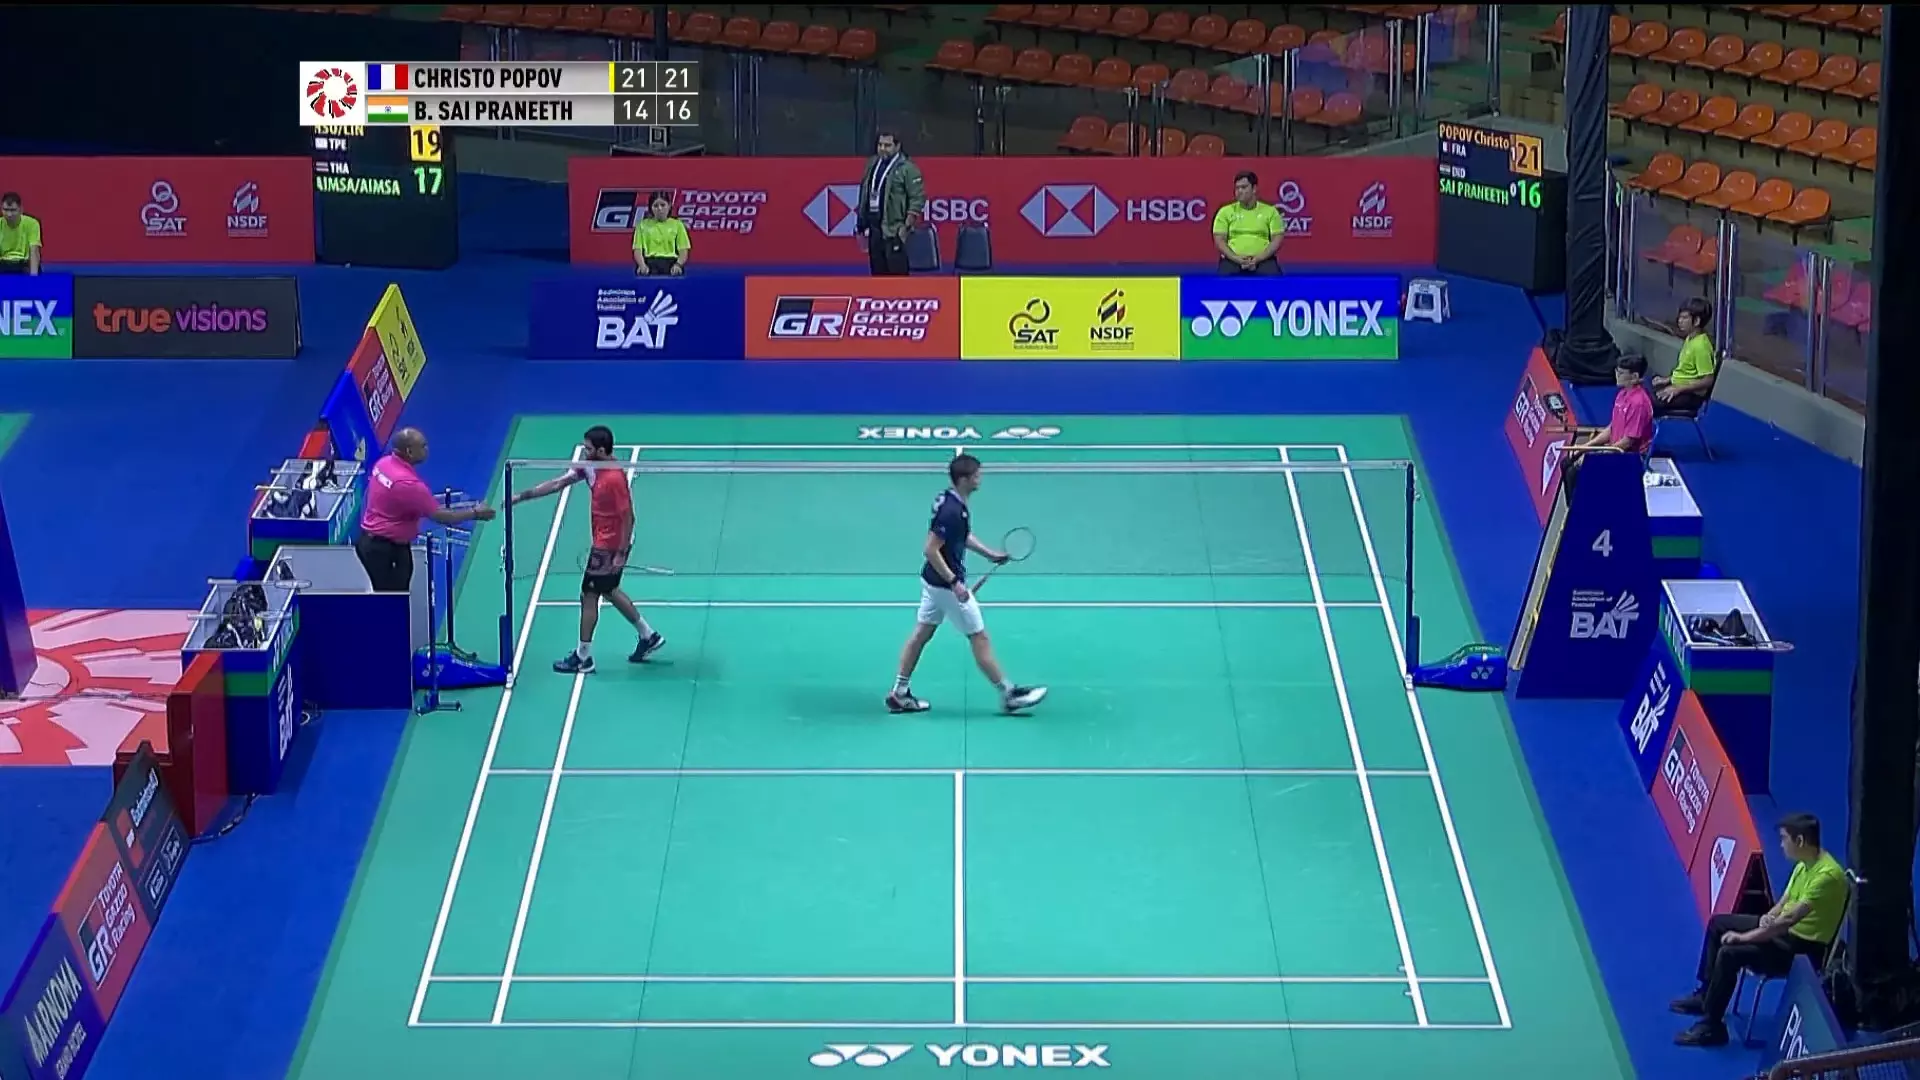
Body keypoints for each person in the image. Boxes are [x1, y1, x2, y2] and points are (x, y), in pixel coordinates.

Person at [1672, 813, 1851, 1047]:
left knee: (1730, 952)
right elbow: (1784, 902)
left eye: (1784, 839)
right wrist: (1768, 916)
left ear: (1799, 841)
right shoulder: (1804, 864)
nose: (1781, 844)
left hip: (1802, 952)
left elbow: (1787, 921)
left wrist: (1743, 937)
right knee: (1719, 924)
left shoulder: (1827, 877)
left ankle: (1712, 1026)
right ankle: (1707, 995)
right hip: (1785, 935)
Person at [887, 454, 1046, 715]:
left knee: (921, 634)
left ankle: (899, 692)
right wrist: (954, 583)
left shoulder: (951, 500)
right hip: (946, 586)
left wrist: (990, 554)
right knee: (979, 637)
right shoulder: (952, 511)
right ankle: (1009, 693)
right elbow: (930, 549)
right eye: (976, 476)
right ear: (964, 480)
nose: (979, 479)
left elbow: (961, 535)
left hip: (932, 581)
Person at [510, 425, 665, 674]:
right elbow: (559, 483)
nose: (584, 451)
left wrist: (620, 553)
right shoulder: (590, 466)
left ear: (602, 451)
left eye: (588, 448)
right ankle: (648, 635)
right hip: (605, 541)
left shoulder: (614, 479)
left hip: (610, 544)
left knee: (589, 595)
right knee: (609, 590)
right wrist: (521, 496)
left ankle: (583, 657)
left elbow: (628, 517)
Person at [356, 428, 495, 593]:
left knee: (393, 595)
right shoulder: (408, 484)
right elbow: (441, 516)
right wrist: (476, 513)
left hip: (373, 541)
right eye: (423, 446)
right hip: (383, 550)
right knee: (392, 600)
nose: (427, 449)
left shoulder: (383, 464)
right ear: (409, 451)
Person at [857, 131, 925, 277]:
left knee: (897, 277)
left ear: (897, 146)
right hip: (875, 230)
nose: (882, 149)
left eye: (887, 145)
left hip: (894, 230)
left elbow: (917, 199)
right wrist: (861, 225)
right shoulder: (872, 164)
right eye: (880, 145)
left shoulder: (907, 168)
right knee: (878, 276)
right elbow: (865, 194)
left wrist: (905, 227)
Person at [1570, 353, 1655, 458]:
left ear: (1635, 377)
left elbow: (1628, 442)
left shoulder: (1639, 403)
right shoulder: (1622, 394)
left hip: (1630, 458)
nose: (1616, 375)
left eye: (1621, 373)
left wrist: (1603, 454)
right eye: (1616, 371)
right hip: (1615, 450)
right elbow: (1611, 429)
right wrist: (1584, 448)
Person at [1212, 171, 1284, 275]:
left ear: (1254, 189)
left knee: (1276, 281)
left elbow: (1277, 239)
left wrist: (1258, 259)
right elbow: (1219, 241)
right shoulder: (1225, 212)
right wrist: (1236, 259)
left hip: (1264, 260)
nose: (1239, 191)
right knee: (1221, 281)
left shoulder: (1270, 211)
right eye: (1237, 188)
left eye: (1244, 187)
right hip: (1232, 260)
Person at [1653, 298, 1717, 414]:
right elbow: (1687, 372)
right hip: (1678, 385)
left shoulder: (1701, 346)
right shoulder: (1690, 338)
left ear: (1696, 321)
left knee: (1645, 402)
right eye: (1680, 317)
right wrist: (1668, 379)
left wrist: (1678, 389)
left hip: (1690, 395)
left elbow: (1707, 380)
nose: (1679, 321)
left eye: (1684, 318)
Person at [631, 191, 690, 277]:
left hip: (671, 265)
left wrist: (678, 265)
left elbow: (683, 250)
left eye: (663, 205)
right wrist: (642, 265)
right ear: (651, 208)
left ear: (669, 206)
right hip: (649, 265)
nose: (659, 209)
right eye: (655, 206)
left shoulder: (678, 225)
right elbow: (637, 250)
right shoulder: (642, 225)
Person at [0, 193, 42, 275]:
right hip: (3, 263)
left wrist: (34, 278)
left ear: (21, 210)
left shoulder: (32, 223)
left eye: (13, 210)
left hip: (24, 264)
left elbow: (34, 251)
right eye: (6, 210)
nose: (9, 214)